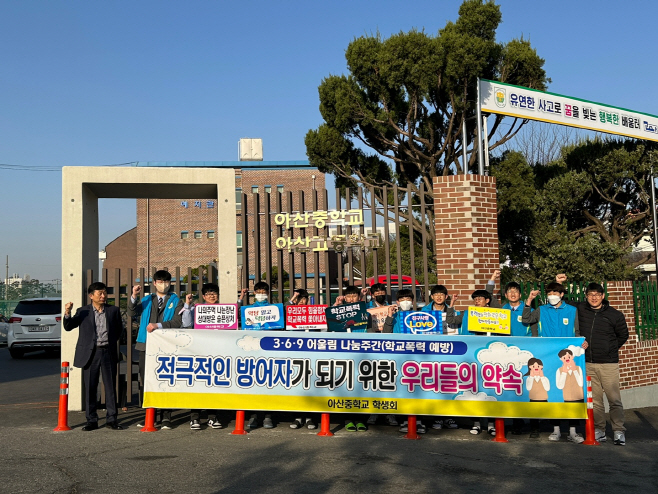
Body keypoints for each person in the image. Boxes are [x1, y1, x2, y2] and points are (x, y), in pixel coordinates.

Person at [556, 275, 629, 446]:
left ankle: (618, 431)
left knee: (614, 399)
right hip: (587, 362)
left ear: (603, 296)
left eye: (597, 294)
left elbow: (623, 335)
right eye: (590, 294)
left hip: (608, 363)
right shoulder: (580, 309)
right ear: (586, 296)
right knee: (595, 400)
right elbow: (562, 301)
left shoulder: (615, 315)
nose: (594, 297)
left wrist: (610, 349)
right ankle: (600, 429)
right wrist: (559, 284)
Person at [522, 281, 586, 444]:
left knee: (573, 394)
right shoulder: (542, 310)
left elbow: (577, 331)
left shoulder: (572, 310)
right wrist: (528, 301)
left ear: (562, 295)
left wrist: (581, 345)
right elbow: (526, 319)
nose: (552, 296)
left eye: (555, 293)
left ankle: (573, 431)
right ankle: (556, 429)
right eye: (549, 293)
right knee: (555, 395)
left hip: (569, 358)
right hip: (549, 358)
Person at [445, 272, 502, 436]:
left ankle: (491, 423)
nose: (477, 301)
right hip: (471, 358)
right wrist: (452, 305)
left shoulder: (496, 314)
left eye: (480, 299)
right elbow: (451, 321)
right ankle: (476, 423)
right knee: (474, 390)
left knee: (490, 390)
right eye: (475, 299)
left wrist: (491, 280)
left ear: (487, 301)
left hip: (491, 358)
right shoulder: (466, 313)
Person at [127, 269, 184, 429]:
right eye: (160, 281)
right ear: (154, 283)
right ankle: (149, 415)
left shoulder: (176, 301)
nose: (163, 284)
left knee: (166, 379)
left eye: (166, 282)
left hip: (166, 345)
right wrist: (133, 296)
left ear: (170, 284)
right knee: (146, 380)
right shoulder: (147, 299)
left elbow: (177, 322)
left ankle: (166, 416)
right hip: (146, 345)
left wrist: (157, 325)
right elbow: (132, 312)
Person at [63, 282, 123, 431]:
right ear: (91, 296)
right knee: (90, 387)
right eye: (99, 293)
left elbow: (118, 330)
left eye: (104, 293)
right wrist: (67, 313)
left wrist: (109, 341)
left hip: (107, 351)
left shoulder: (113, 310)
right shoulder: (83, 311)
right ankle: (91, 420)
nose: (103, 296)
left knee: (110, 387)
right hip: (91, 353)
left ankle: (112, 419)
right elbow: (69, 326)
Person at [331, 285, 376, 432]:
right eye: (348, 296)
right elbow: (330, 329)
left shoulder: (366, 314)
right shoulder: (337, 313)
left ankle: (361, 419)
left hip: (361, 354)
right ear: (344, 298)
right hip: (343, 354)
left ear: (359, 298)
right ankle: (348, 419)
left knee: (361, 387)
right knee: (346, 387)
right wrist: (335, 307)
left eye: (354, 296)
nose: (351, 299)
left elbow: (370, 333)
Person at [381, 288, 426, 433]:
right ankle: (405, 420)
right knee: (402, 389)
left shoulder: (419, 315)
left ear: (412, 301)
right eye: (402, 300)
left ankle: (418, 420)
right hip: (399, 358)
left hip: (416, 358)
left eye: (408, 299)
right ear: (397, 302)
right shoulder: (395, 316)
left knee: (417, 390)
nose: (405, 302)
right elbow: (386, 334)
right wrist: (389, 316)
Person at [180, 283, 223, 430]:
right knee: (197, 384)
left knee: (214, 385)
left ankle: (212, 417)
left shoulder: (225, 310)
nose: (212, 295)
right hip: (198, 352)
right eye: (209, 293)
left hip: (218, 353)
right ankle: (195, 418)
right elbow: (186, 324)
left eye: (214, 293)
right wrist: (187, 305)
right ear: (203, 296)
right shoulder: (195, 309)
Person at [420, 284, 459, 431]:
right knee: (433, 386)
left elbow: (455, 328)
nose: (439, 297)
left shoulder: (452, 310)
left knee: (448, 385)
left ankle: (449, 417)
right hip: (430, 354)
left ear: (446, 297)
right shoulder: (424, 311)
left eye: (442, 294)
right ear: (431, 297)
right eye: (436, 294)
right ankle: (436, 417)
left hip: (447, 353)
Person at [241, 281, 278, 429]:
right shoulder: (248, 310)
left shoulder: (275, 309)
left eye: (263, 291)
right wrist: (241, 298)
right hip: (252, 350)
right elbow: (233, 316)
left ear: (268, 293)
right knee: (253, 385)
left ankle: (268, 415)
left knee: (269, 383)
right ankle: (254, 416)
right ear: (254, 293)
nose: (261, 294)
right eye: (258, 292)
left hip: (270, 350)